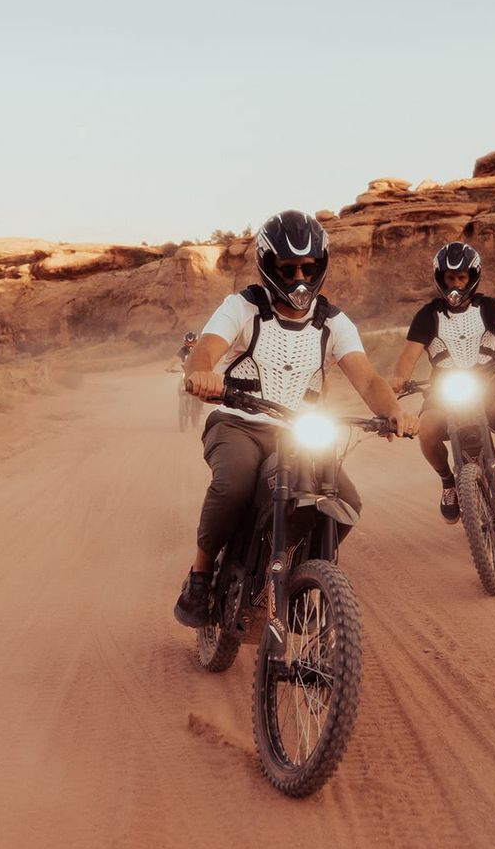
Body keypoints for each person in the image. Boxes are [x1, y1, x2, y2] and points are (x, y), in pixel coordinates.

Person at [173, 210, 418, 628]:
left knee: (345, 501)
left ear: (321, 266)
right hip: (238, 422)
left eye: (308, 267)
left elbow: (368, 377)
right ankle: (199, 574)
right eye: (288, 269)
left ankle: (298, 579)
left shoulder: (333, 322)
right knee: (233, 483)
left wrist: (393, 412)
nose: (299, 278)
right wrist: (202, 373)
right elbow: (205, 350)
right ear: (269, 267)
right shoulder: (243, 307)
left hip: (299, 433)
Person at [385, 242, 495, 520]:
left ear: (472, 277)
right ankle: (448, 482)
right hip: (443, 390)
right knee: (427, 430)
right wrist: (400, 377)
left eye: (462, 277)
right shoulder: (428, 315)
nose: (456, 284)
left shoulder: (489, 306)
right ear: (441, 278)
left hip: (489, 383)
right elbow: (408, 356)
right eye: (450, 278)